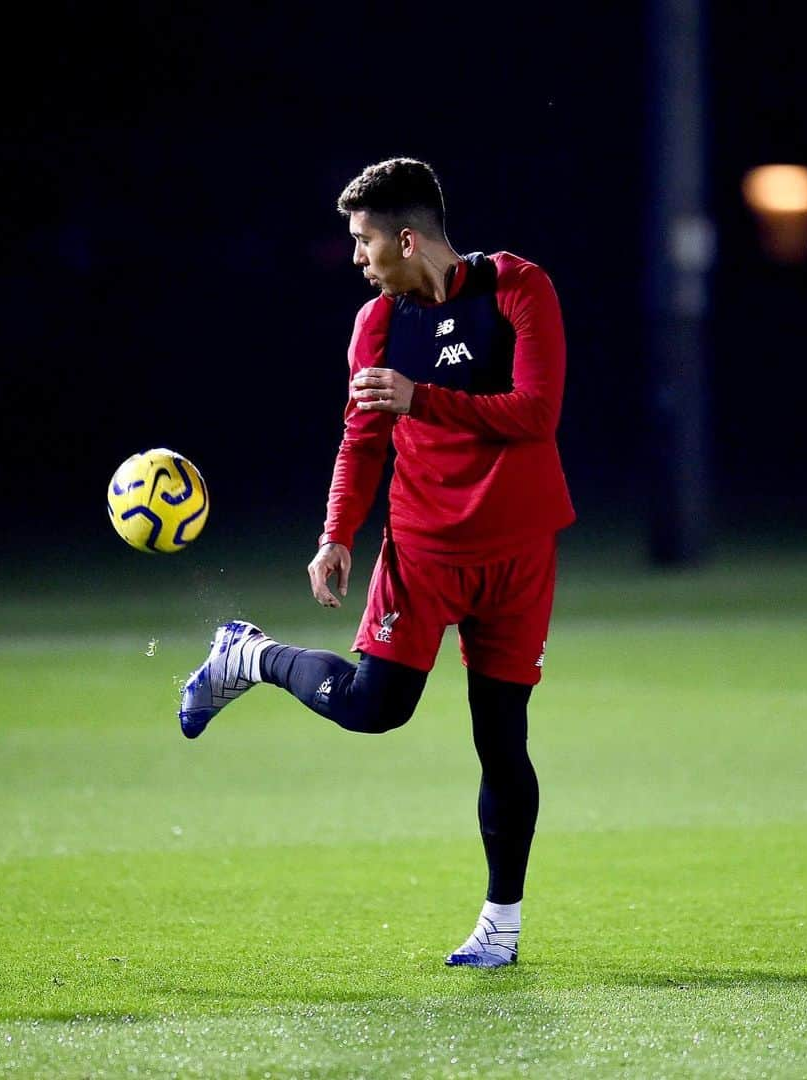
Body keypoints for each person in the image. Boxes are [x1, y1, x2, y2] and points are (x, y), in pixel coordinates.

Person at [179, 158, 574, 967]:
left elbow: (537, 414)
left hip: (518, 554)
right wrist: (335, 536)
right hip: (425, 551)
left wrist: (422, 397)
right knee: (372, 708)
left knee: (503, 741)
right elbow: (362, 438)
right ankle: (248, 655)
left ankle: (500, 926)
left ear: (405, 237)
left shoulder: (519, 289)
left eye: (364, 242)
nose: (358, 259)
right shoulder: (376, 326)